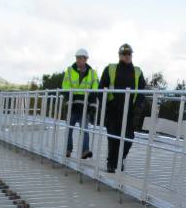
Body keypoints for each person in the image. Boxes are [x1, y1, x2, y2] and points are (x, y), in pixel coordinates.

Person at [98, 43, 147, 172]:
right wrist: (106, 106)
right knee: (113, 138)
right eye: (124, 54)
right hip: (114, 110)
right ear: (119, 55)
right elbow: (101, 88)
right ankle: (111, 164)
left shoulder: (138, 71)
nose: (126, 56)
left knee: (129, 138)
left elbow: (142, 91)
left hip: (130, 111)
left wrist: (138, 107)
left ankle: (120, 159)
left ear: (132, 55)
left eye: (129, 54)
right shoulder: (110, 68)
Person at [61, 48, 98, 159]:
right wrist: (69, 99)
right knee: (69, 129)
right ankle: (68, 150)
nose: (78, 60)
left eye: (80, 58)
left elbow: (95, 88)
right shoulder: (69, 71)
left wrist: (92, 104)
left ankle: (85, 151)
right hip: (72, 105)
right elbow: (65, 86)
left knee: (84, 130)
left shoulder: (92, 73)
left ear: (86, 59)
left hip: (84, 106)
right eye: (77, 58)